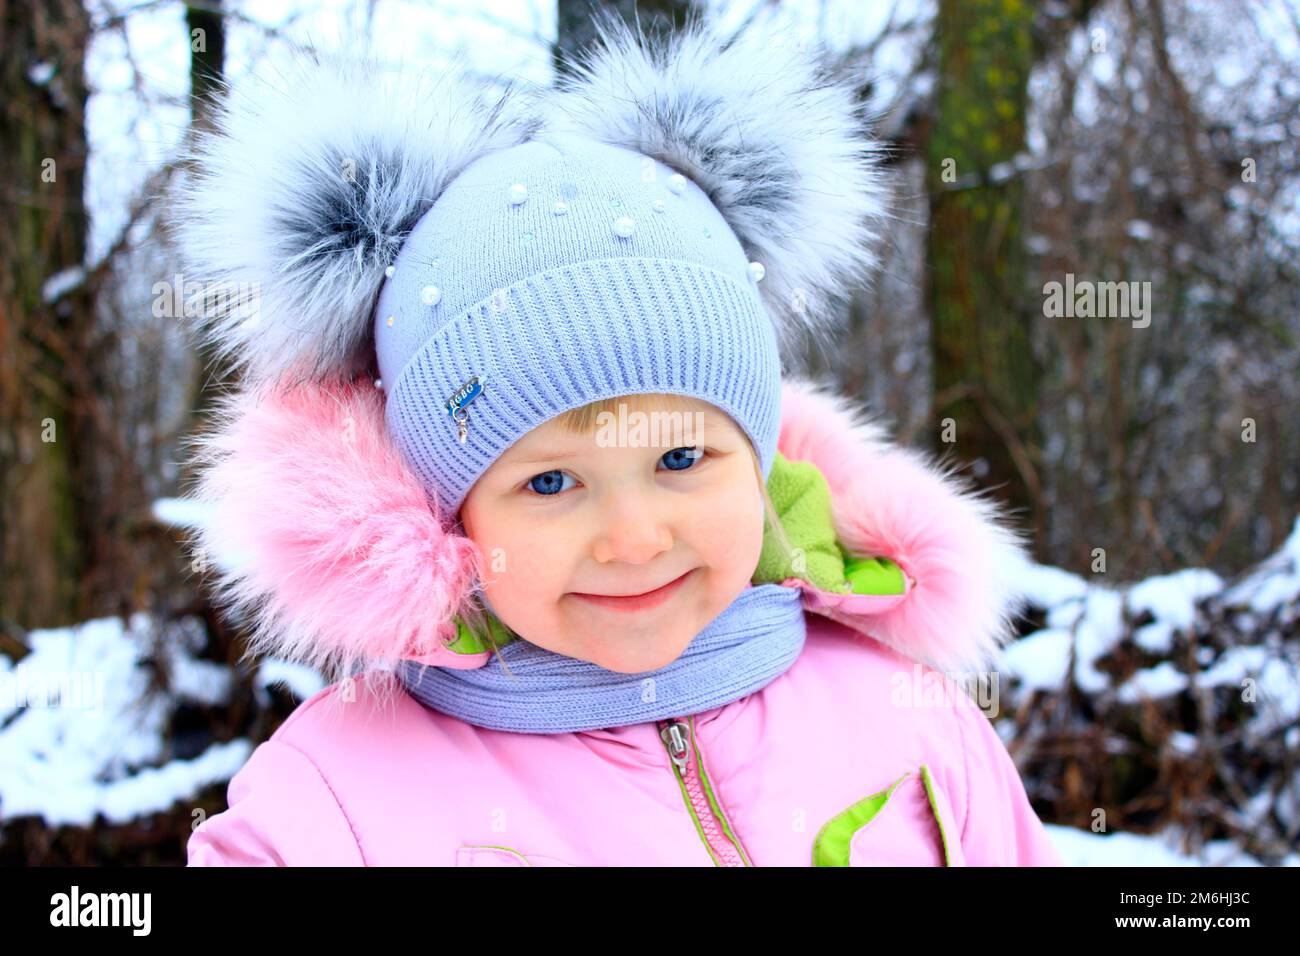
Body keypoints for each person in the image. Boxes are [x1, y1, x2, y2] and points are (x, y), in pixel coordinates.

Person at [175, 11, 1063, 867]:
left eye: (681, 459)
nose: (635, 536)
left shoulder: (909, 720)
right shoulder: (333, 812)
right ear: (449, 516)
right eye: (552, 482)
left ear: (756, 466)